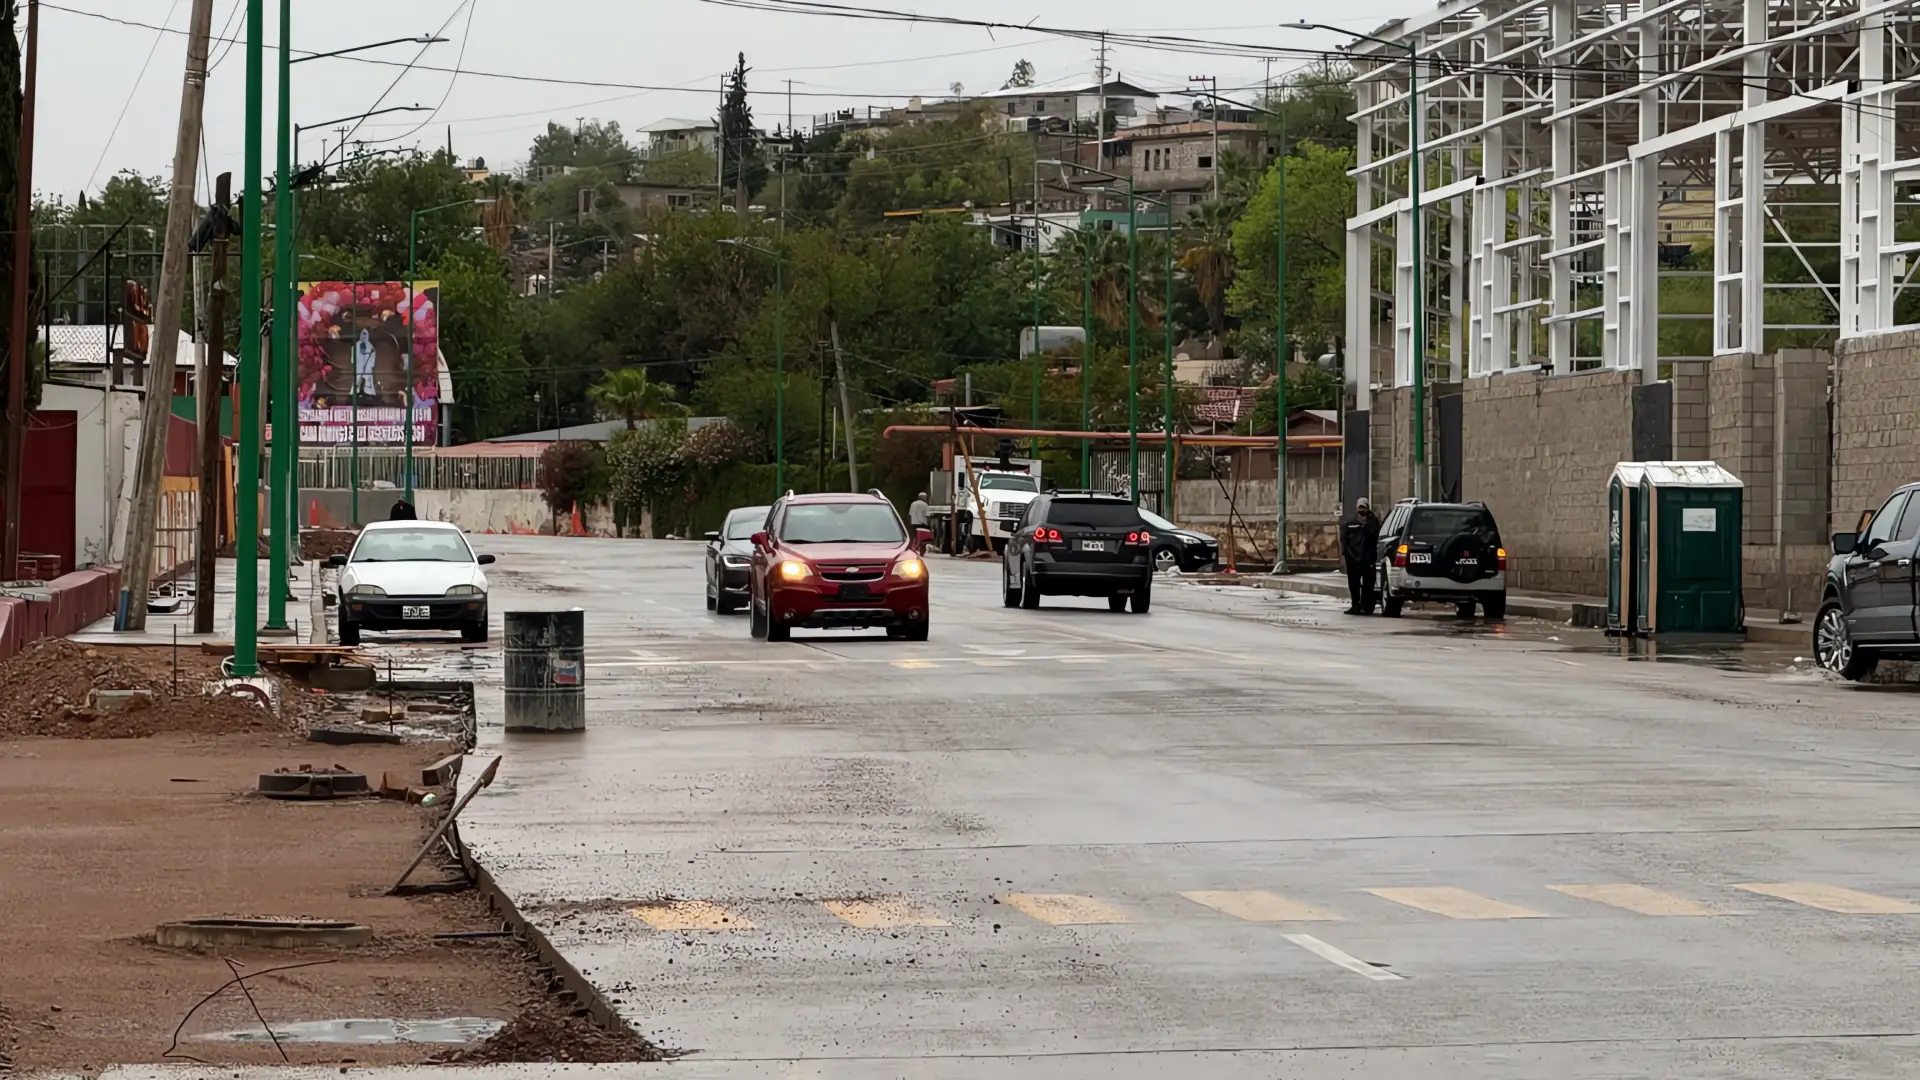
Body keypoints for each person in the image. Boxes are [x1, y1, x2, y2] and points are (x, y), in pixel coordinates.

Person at [1340, 497, 1380, 614]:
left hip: (1368, 558)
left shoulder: (1372, 522)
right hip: (1353, 558)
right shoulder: (1350, 523)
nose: (1362, 511)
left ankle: (1365, 606)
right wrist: (1346, 554)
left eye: (1364, 508)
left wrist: (1369, 521)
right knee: (1354, 584)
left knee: (1368, 584)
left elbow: (1375, 536)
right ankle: (1355, 605)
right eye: (1360, 508)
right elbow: (1344, 540)